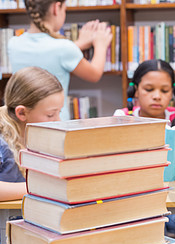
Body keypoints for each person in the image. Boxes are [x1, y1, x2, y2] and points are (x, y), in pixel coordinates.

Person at [114, 59, 175, 244]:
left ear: (173, 93)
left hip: (174, 199)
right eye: (149, 89)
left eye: (164, 91)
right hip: (135, 202)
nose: (157, 96)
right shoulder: (122, 117)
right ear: (135, 90)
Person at [8, 0, 112, 121]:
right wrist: (101, 44)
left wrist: (77, 45)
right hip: (54, 123)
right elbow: (95, 74)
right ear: (56, 8)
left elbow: (47, 53)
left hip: (23, 122)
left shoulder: (13, 44)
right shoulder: (64, 48)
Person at [0, 66, 64, 202]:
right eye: (50, 114)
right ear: (22, 113)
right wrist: (40, 188)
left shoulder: (38, 139)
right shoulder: (2, 142)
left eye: (59, 112)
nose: (58, 121)